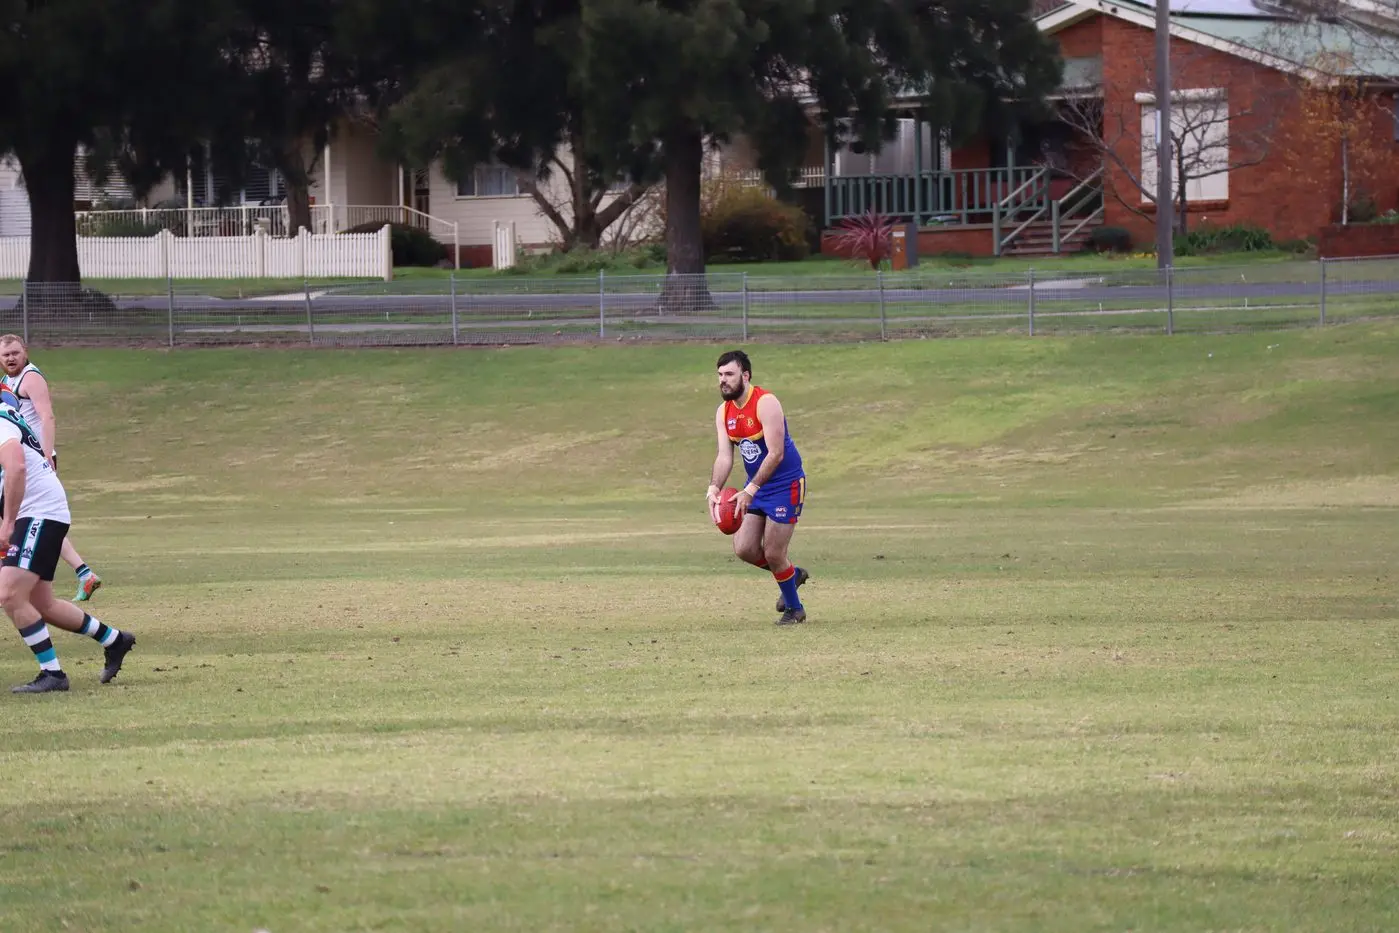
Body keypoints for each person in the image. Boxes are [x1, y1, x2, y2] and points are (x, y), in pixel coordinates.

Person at [0, 389, 134, 693]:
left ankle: (53, 675)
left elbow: (17, 468)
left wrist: (8, 524)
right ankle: (115, 640)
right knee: (41, 603)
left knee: (8, 594)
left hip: (37, 512)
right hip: (40, 511)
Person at [706, 350, 811, 625]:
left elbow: (775, 453)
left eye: (729, 374)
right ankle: (792, 574)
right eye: (719, 375)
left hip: (785, 484)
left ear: (745, 375)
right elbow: (724, 456)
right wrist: (713, 488)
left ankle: (794, 609)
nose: (723, 381)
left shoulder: (766, 403)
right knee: (744, 548)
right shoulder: (724, 412)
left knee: (774, 553)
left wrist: (750, 489)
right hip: (755, 487)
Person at [0, 335, 102, 602]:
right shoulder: (6, 383)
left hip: (36, 461)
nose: (10, 358)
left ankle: (19, 583)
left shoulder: (30, 378)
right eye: (5, 355)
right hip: (22, 459)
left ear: (25, 352)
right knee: (29, 520)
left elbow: (47, 415)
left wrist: (47, 454)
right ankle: (84, 573)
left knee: (30, 520)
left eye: (14, 353)